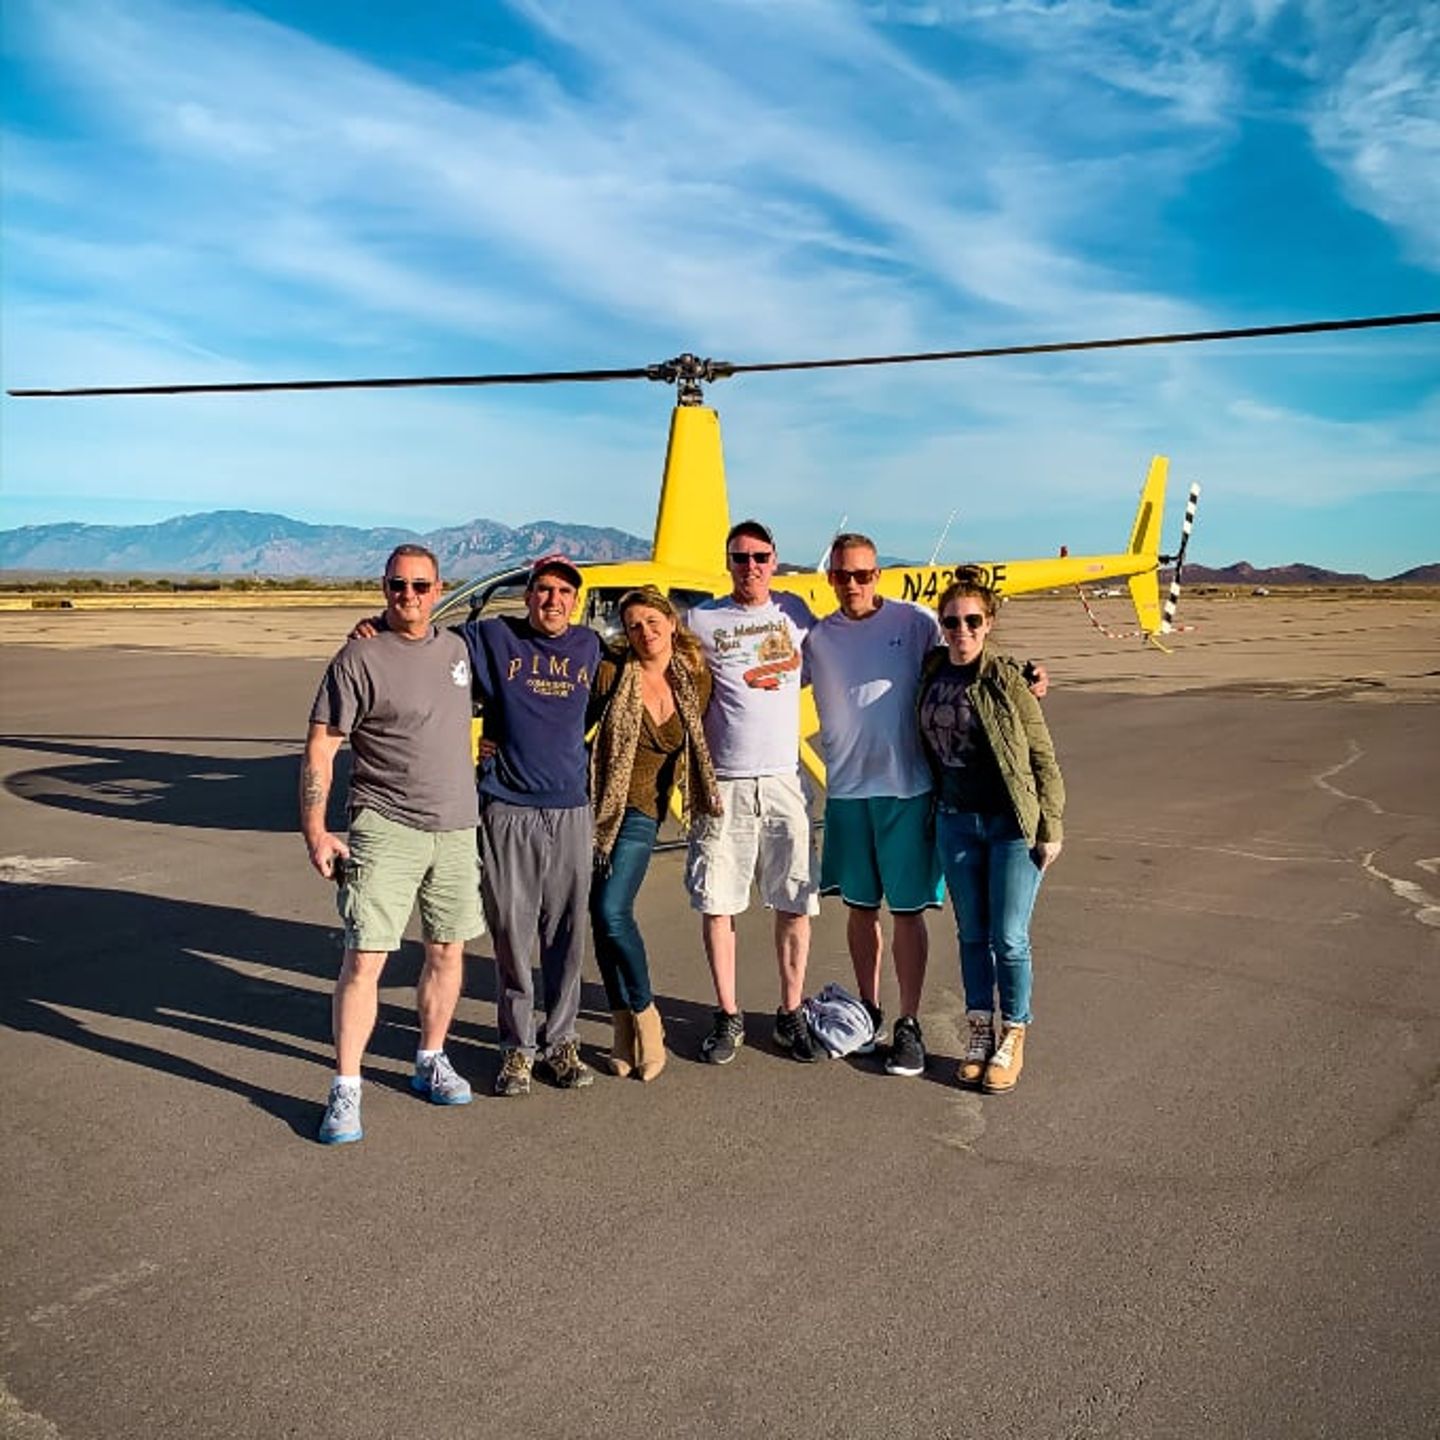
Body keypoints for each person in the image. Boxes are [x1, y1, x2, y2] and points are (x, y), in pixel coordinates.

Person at [302, 544, 484, 1145]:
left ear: (439, 589)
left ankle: (431, 1057)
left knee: (446, 952)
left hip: (456, 827)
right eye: (398, 586)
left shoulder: (457, 649)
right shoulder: (358, 656)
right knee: (365, 959)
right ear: (384, 588)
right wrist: (316, 828)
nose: (409, 596)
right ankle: (345, 1087)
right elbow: (323, 746)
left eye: (421, 586)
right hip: (386, 825)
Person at [458, 555, 602, 1097]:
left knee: (567, 933)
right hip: (508, 806)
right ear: (527, 595)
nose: (553, 600)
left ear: (575, 600)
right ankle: (517, 1047)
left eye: (564, 592)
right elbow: (429, 645)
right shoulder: (494, 638)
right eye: (544, 590)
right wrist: (375, 625)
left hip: (569, 807)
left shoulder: (589, 647)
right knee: (512, 933)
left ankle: (561, 1040)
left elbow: (617, 699)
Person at [918, 575, 1065, 1094]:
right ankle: (980, 1030)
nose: (962, 630)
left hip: (1009, 824)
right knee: (971, 935)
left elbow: (1042, 756)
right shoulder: (930, 670)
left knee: (1009, 937)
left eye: (972, 621)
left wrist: (1052, 826)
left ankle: (1014, 1033)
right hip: (955, 820)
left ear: (989, 624)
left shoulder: (1006, 681)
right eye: (952, 621)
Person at [805, 534, 945, 1078]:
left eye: (863, 574)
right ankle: (867, 1008)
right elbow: (761, 683)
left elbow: (960, 667)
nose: (853, 584)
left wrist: (1024, 681)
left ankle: (909, 1022)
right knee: (860, 908)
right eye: (843, 575)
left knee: (907, 911)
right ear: (831, 578)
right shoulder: (818, 638)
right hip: (847, 791)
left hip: (907, 788)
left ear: (878, 575)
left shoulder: (915, 623)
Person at [685, 520, 820, 1065]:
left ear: (775, 558)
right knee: (718, 902)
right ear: (728, 562)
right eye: (740, 558)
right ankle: (728, 1013)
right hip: (724, 783)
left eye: (760, 556)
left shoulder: (797, 615)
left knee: (793, 901)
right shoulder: (700, 620)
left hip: (785, 778)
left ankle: (789, 1013)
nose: (751, 567)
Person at [587, 586, 722, 1081]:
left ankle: (647, 1016)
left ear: (671, 622)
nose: (645, 632)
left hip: (643, 811)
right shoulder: (611, 675)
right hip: (597, 805)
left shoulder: (695, 679)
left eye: (652, 621)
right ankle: (624, 1026)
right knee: (600, 919)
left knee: (611, 910)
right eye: (634, 625)